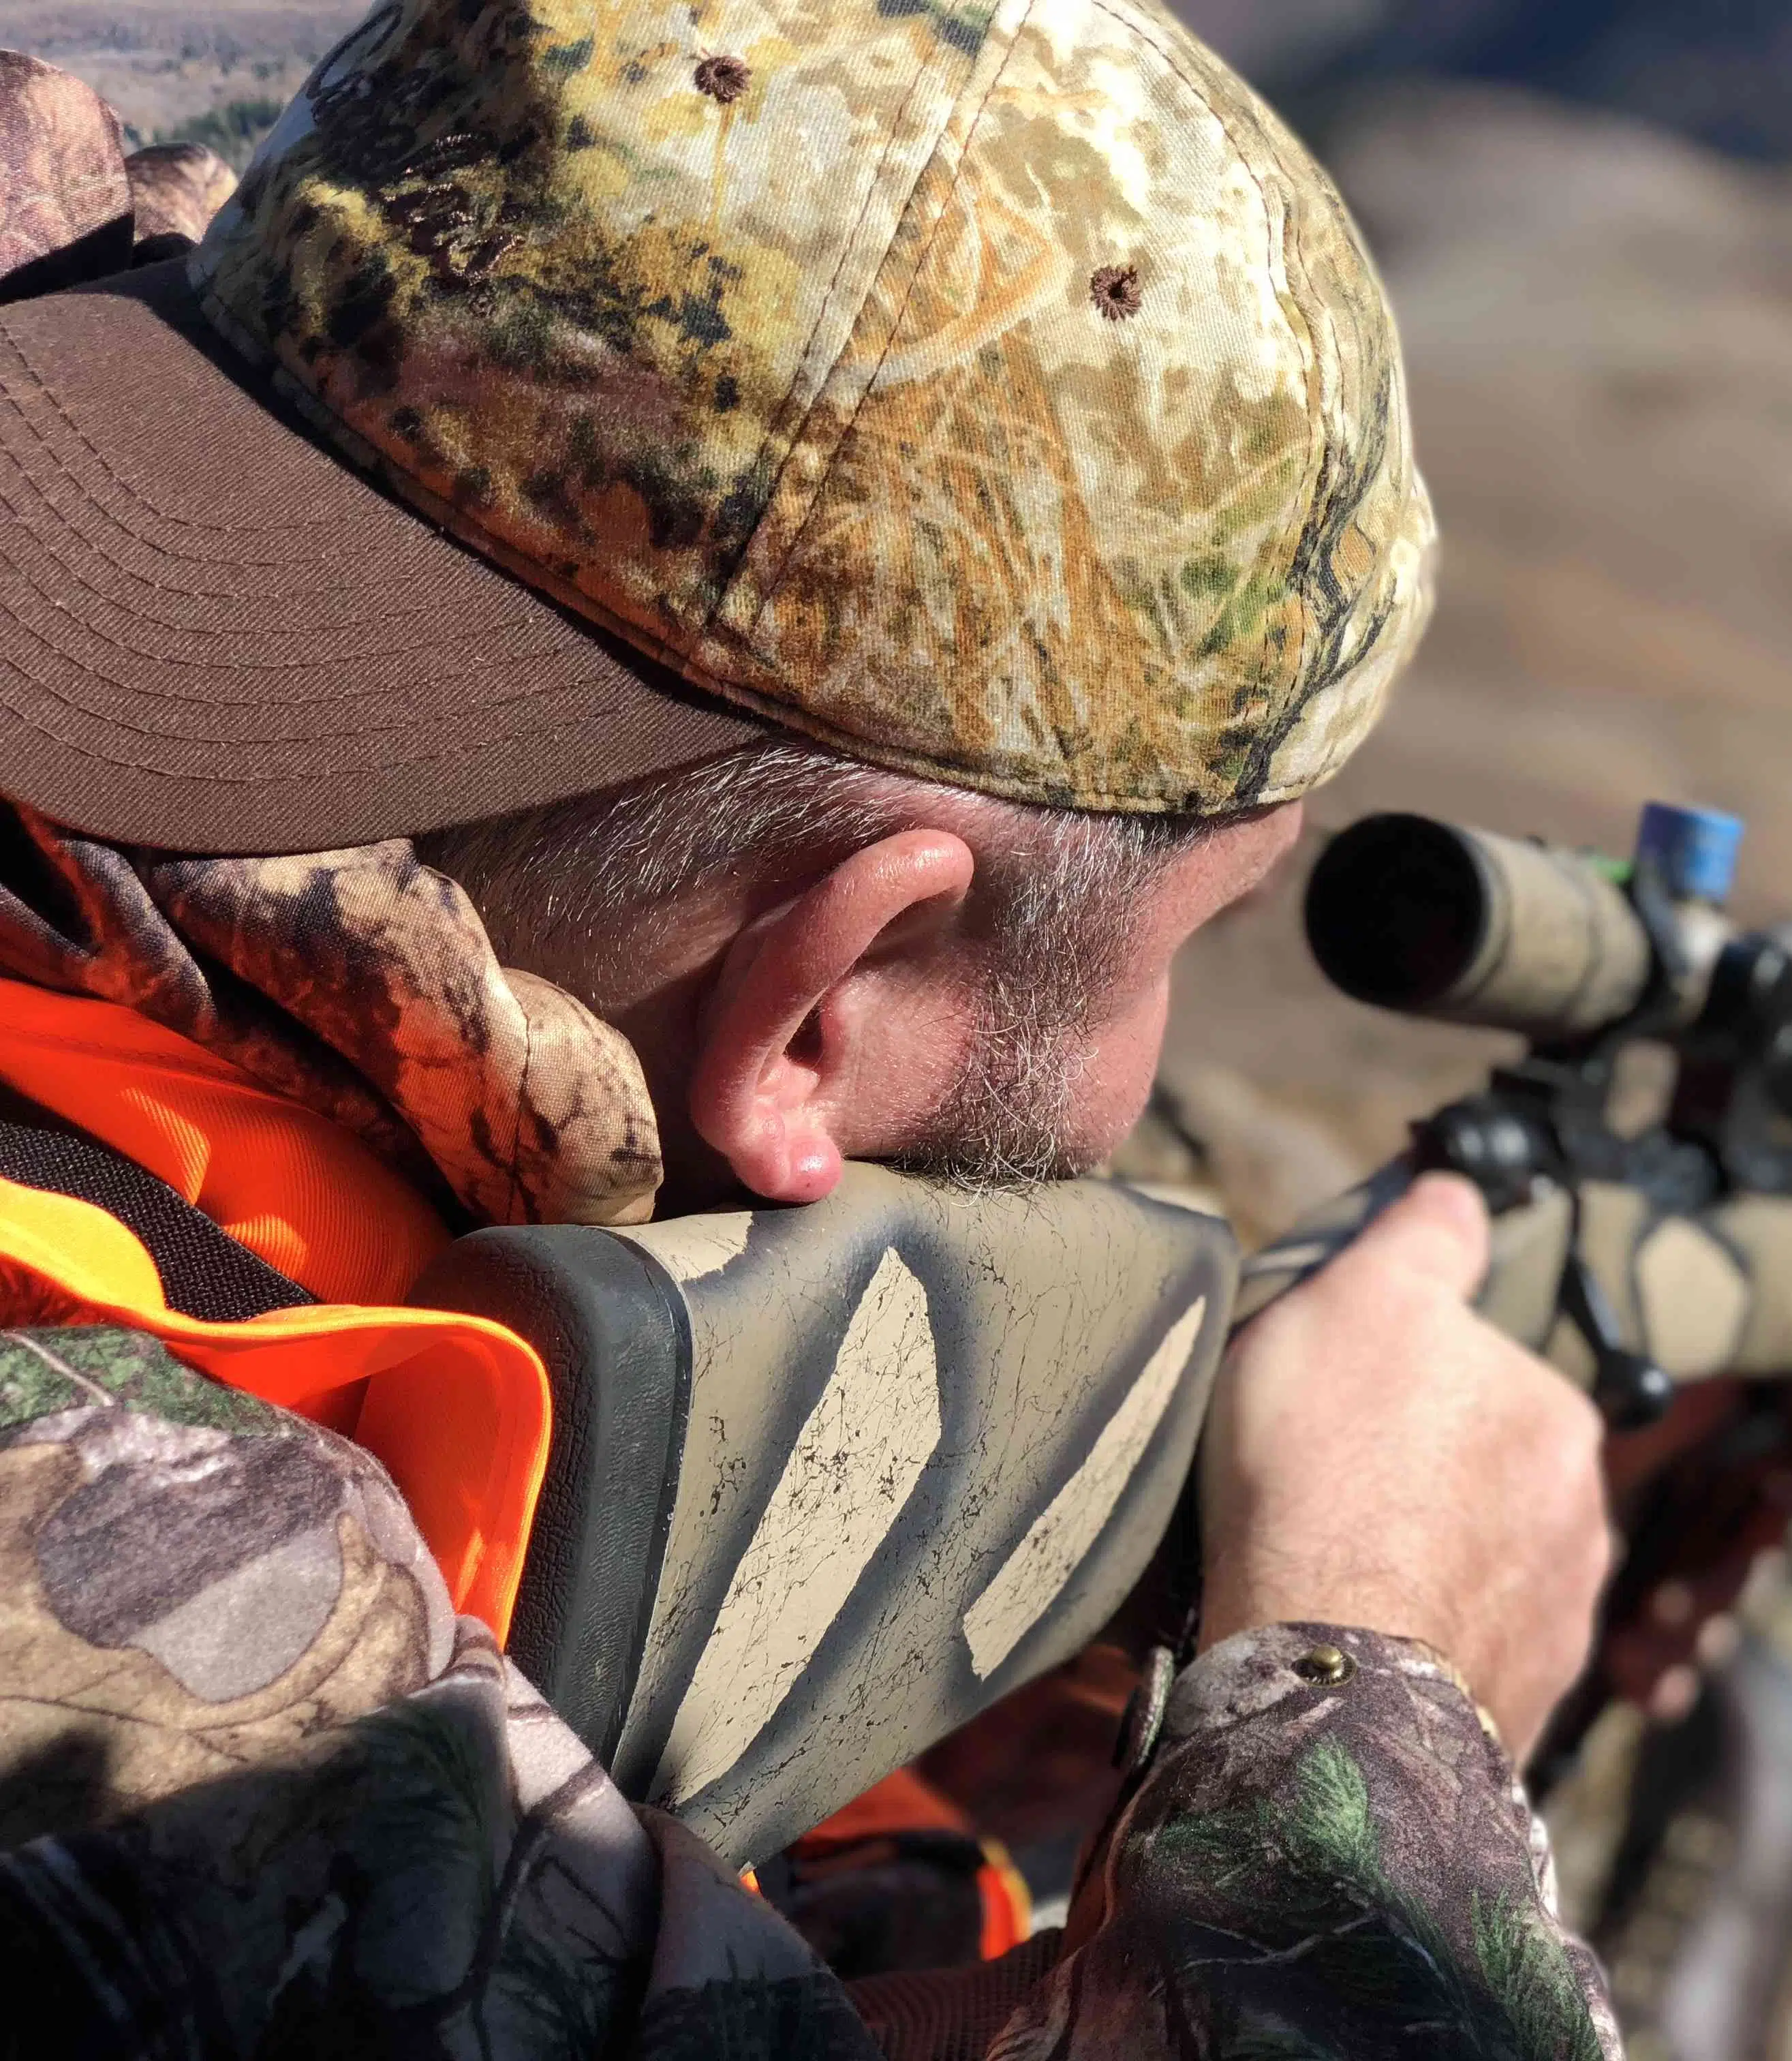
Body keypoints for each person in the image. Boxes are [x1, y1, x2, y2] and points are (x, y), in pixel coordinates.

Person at [0, 13, 1622, 2058]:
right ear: (824, 1007)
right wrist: (1379, 1707)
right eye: (1199, 934)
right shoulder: (172, 1699)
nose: (1149, 1105)